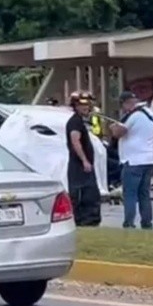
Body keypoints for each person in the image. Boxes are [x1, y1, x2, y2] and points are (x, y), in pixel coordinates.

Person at [110, 91, 153, 229]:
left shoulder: (133, 116)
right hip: (150, 159)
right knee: (144, 193)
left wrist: (113, 127)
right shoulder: (150, 113)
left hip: (134, 161)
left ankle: (129, 223)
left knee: (130, 193)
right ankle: (147, 223)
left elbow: (119, 133)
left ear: (126, 103)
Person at [65, 91, 102, 226]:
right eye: (82, 105)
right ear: (76, 106)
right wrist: (84, 161)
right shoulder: (75, 122)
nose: (86, 108)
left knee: (90, 193)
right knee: (85, 194)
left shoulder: (80, 121)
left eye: (88, 105)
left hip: (82, 165)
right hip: (79, 167)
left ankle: (89, 220)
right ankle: (84, 220)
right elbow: (75, 142)